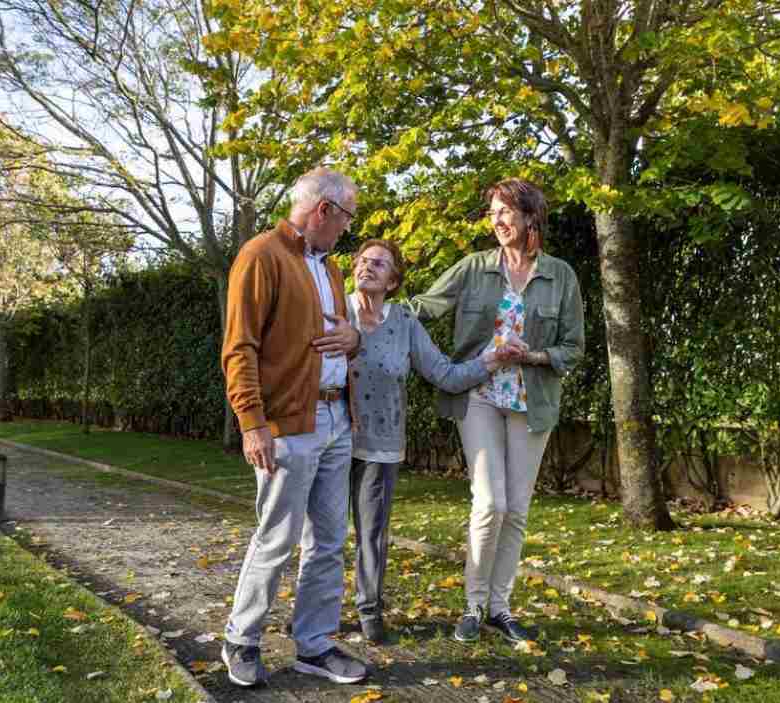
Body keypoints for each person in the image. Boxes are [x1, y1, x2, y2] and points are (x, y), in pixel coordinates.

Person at [407, 178, 584, 643]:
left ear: (530, 216)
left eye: (506, 212)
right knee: (490, 503)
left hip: (532, 400)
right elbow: (429, 303)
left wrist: (534, 356)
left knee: (517, 510)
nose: (498, 221)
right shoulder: (473, 268)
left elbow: (573, 347)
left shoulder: (561, 275)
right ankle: (473, 603)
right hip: (480, 393)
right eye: (493, 214)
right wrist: (375, 307)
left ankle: (500, 608)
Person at [220, 167, 368, 687]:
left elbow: (342, 336)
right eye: (347, 216)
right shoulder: (262, 256)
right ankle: (241, 638)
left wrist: (353, 339)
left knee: (329, 540)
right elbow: (240, 347)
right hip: (286, 425)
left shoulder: (330, 269)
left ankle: (314, 644)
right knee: (278, 537)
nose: (348, 228)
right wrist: (252, 423)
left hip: (334, 419)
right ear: (324, 210)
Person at [347, 239, 525, 644]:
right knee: (316, 533)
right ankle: (312, 612)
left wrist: (492, 360)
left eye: (379, 264)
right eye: (362, 260)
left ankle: (369, 609)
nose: (367, 267)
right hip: (330, 436)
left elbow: (444, 374)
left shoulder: (405, 324)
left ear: (393, 281)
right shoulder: (334, 311)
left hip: (381, 442)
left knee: (372, 532)